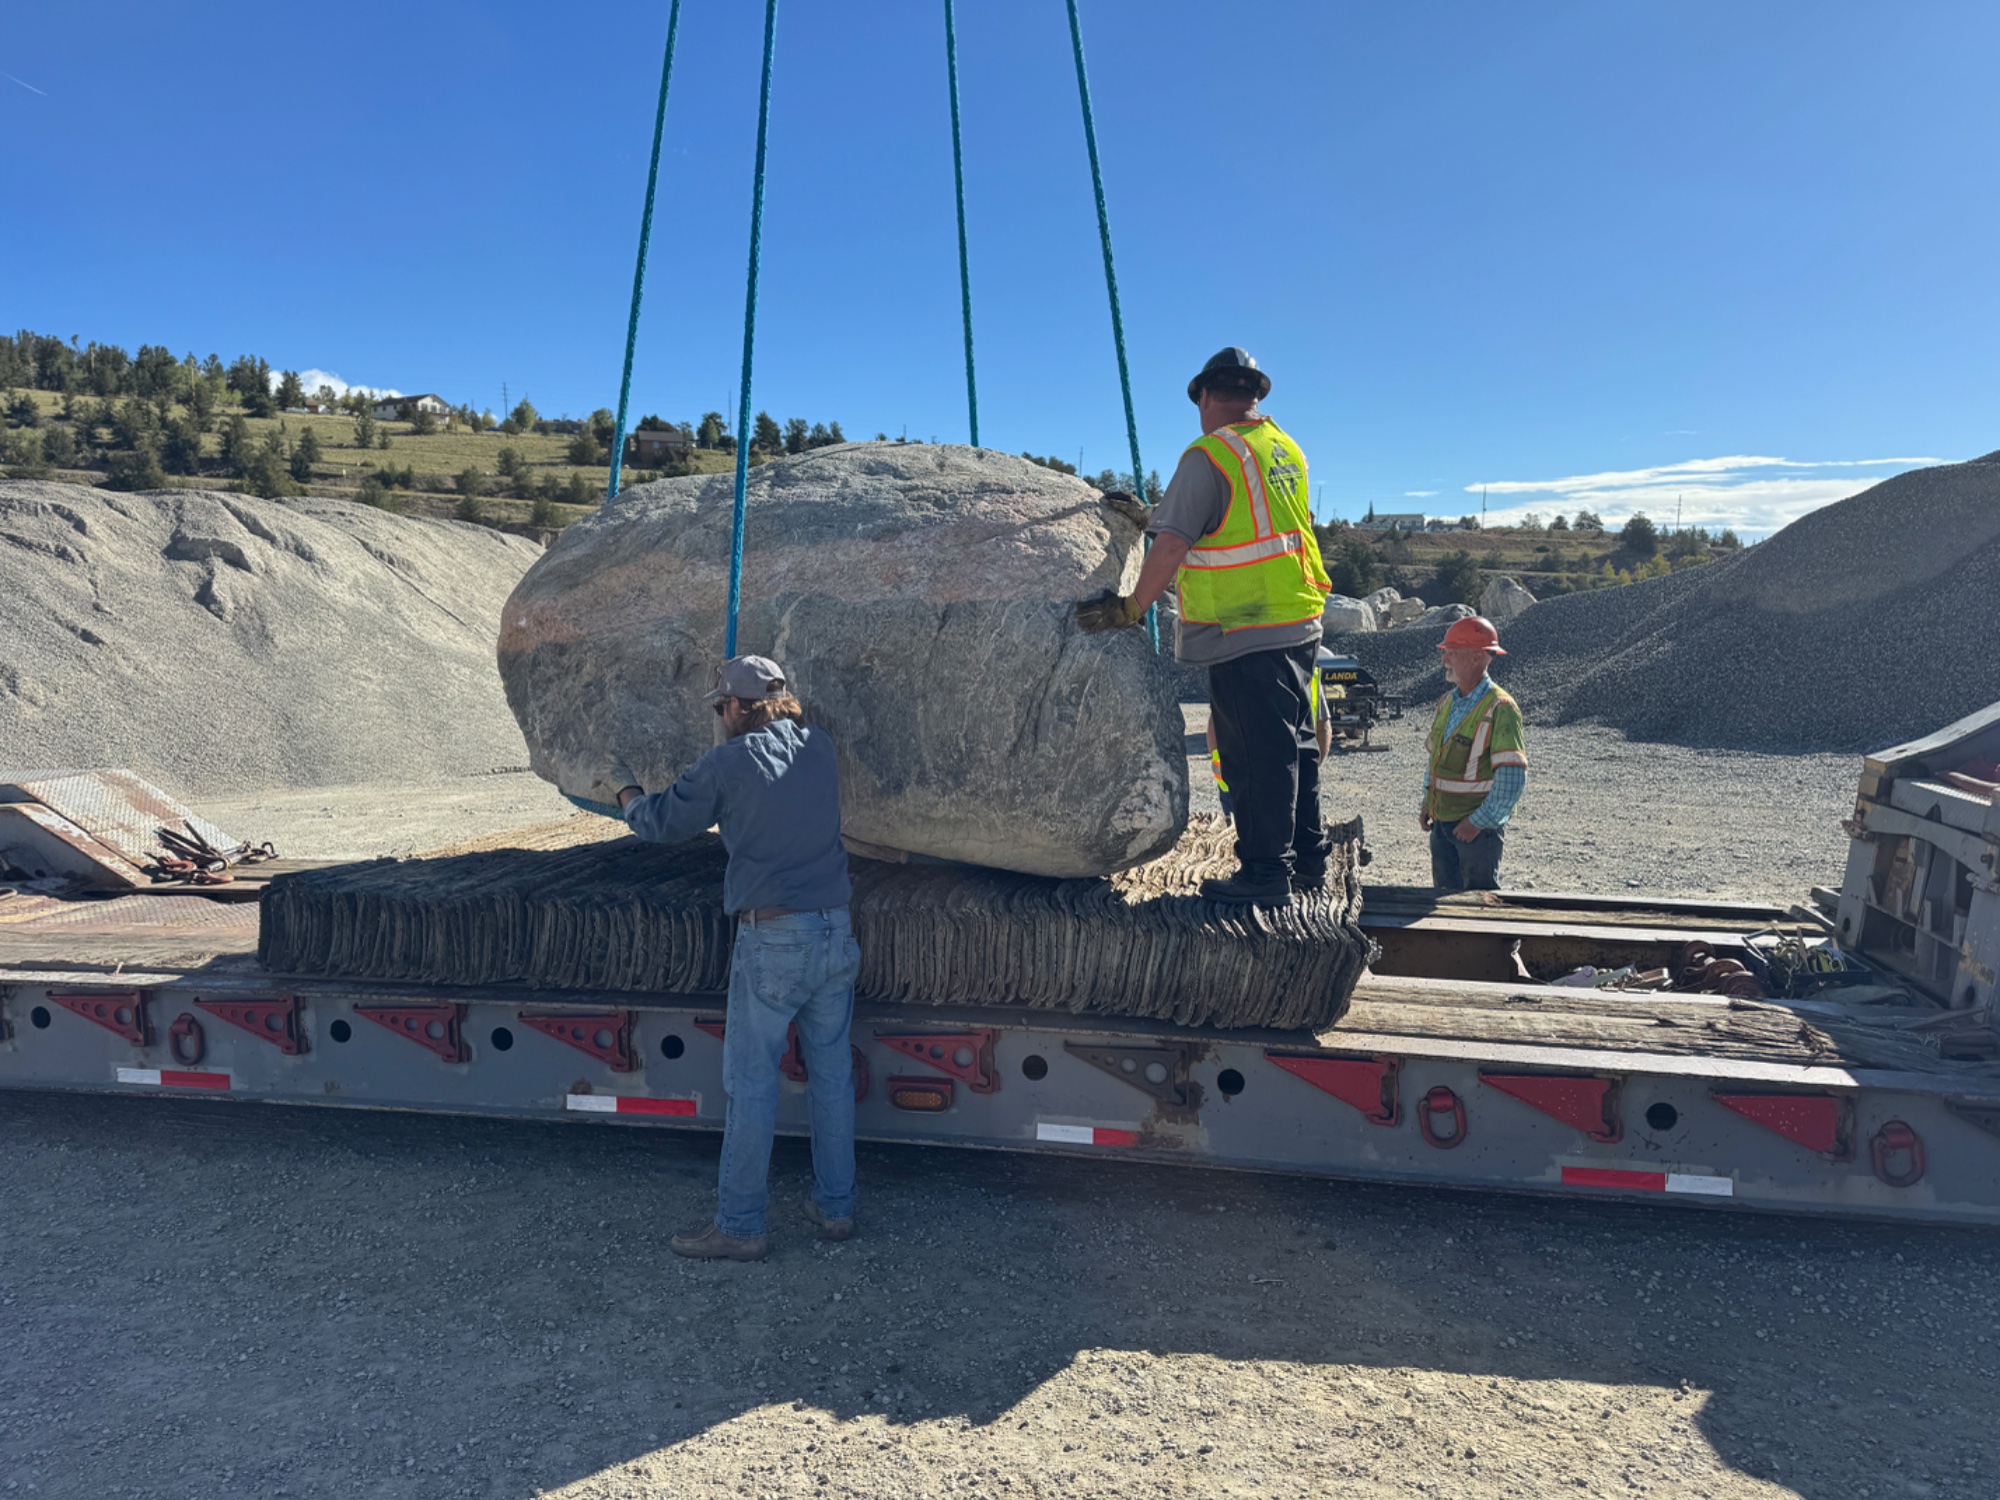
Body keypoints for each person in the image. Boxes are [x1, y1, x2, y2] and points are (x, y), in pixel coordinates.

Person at [593, 654, 858, 1262]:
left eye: (720, 706)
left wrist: (626, 790)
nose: (719, 713)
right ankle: (836, 1208)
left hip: (775, 938)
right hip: (836, 929)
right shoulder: (820, 747)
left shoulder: (728, 763)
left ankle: (740, 1226)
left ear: (736, 706)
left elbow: (662, 822)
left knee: (752, 1084)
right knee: (832, 1077)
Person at [1077, 348, 1332, 903]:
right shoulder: (1282, 447)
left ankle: (1266, 875)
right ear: (1254, 396)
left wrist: (1131, 607)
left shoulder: (1211, 453)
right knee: (1296, 747)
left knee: (1256, 757)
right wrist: (1161, 512)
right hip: (1298, 619)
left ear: (1207, 397)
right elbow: (1240, 517)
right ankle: (1310, 861)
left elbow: (1173, 545)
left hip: (1244, 629)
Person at [1419, 616, 1527, 892]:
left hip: (1475, 832)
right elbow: (1435, 760)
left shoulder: (1501, 707)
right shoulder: (1446, 702)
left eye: (1452, 653)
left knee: (1479, 903)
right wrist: (1427, 802)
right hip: (1442, 824)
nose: (1444, 660)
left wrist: (1478, 823)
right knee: (1444, 902)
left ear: (1477, 657)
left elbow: (1511, 777)